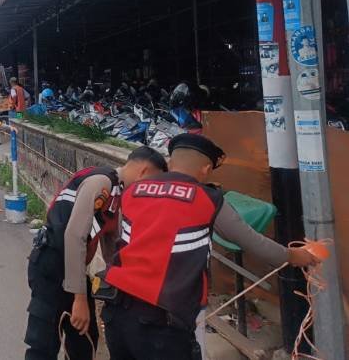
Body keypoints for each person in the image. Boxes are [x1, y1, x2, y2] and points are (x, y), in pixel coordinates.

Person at [101, 134, 319, 360]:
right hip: (160, 324)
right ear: (206, 169)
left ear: (171, 162)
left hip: (117, 310)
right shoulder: (207, 199)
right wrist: (296, 256)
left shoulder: (133, 191)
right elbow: (252, 242)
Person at [24, 147, 169, 360]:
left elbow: (112, 244)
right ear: (144, 172)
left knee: (84, 341)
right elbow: (74, 236)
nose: (149, 190)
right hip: (51, 267)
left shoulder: (117, 194)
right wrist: (79, 299)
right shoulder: (102, 182)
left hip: (74, 270)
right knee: (44, 344)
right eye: (153, 182)